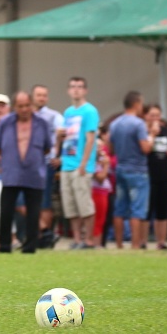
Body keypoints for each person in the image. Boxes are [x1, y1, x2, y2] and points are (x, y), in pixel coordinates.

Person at [0, 91, 52, 254]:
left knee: (33, 211)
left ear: (32, 105)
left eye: (27, 105)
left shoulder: (42, 123)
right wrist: (7, 160)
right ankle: (4, 245)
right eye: (20, 106)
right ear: (14, 107)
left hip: (34, 172)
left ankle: (30, 246)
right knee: (6, 210)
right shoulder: (6, 123)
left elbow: (47, 147)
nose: (25, 109)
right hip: (11, 171)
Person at [57, 77, 100, 249]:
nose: (76, 90)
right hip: (67, 163)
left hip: (80, 165)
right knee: (70, 205)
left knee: (84, 204)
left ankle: (88, 239)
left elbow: (90, 139)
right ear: (68, 90)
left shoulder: (90, 111)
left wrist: (84, 163)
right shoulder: (68, 112)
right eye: (73, 87)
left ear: (85, 90)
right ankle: (76, 239)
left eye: (80, 87)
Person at [109, 91, 154, 250]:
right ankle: (135, 244)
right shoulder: (138, 124)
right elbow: (145, 148)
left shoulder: (115, 124)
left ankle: (119, 244)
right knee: (137, 209)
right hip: (137, 171)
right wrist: (152, 136)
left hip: (121, 168)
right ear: (136, 104)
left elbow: (111, 148)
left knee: (120, 208)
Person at [32, 84, 64, 248]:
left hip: (46, 163)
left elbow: (63, 135)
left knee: (44, 201)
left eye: (44, 95)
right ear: (33, 96)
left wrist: (59, 156)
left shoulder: (54, 116)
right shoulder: (27, 115)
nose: (42, 98)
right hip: (29, 164)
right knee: (29, 200)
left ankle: (45, 239)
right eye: (39, 95)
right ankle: (39, 234)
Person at [144, 103, 167, 250]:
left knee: (163, 210)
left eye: (157, 115)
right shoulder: (143, 131)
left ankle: (161, 241)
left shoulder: (166, 131)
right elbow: (145, 150)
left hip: (165, 174)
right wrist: (152, 134)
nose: (155, 118)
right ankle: (142, 241)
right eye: (152, 115)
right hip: (149, 174)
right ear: (146, 116)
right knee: (147, 210)